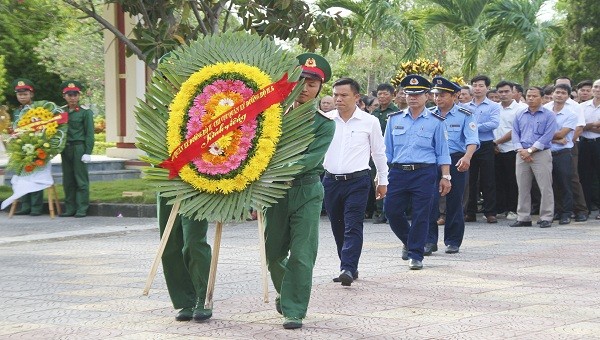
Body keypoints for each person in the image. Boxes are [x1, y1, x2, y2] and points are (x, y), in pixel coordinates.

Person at [263, 53, 335, 329]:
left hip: (307, 191)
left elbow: (311, 160)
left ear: (320, 88)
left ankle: (294, 310)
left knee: (303, 253)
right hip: (276, 193)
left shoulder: (324, 124)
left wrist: (276, 166)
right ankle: (286, 291)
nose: (306, 88)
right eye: (302, 81)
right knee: (273, 253)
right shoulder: (272, 117)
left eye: (313, 84)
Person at [323, 77, 387, 285]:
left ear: (356, 97)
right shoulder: (326, 120)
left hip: (358, 181)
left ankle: (348, 268)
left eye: (344, 95)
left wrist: (382, 180)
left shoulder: (370, 122)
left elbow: (378, 153)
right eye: (335, 95)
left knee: (353, 224)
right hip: (331, 181)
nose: (338, 99)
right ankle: (348, 264)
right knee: (337, 225)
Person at [384, 75, 451, 270]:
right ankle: (410, 240)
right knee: (392, 211)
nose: (413, 97)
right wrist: (381, 174)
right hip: (397, 172)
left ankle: (416, 254)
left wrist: (445, 177)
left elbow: (442, 151)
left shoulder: (436, 121)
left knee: (422, 214)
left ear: (427, 96)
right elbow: (386, 150)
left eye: (418, 94)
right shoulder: (394, 120)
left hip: (424, 172)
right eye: (409, 93)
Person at [425, 77, 479, 255]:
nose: (438, 99)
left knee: (454, 201)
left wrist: (467, 157)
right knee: (429, 200)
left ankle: (453, 241)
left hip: (456, 159)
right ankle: (429, 241)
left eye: (442, 95)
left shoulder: (465, 114)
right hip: (432, 160)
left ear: (455, 96)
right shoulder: (429, 114)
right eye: (435, 95)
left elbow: (472, 139)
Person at [157, 196, 212, 322]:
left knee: (194, 243)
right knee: (170, 245)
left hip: (195, 184)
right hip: (166, 182)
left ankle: (203, 298)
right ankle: (187, 301)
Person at [510, 87, 557, 228]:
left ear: (542, 98)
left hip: (541, 154)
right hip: (521, 154)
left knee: (545, 186)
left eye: (534, 96)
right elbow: (515, 133)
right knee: (522, 187)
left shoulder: (549, 115)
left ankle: (546, 217)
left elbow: (547, 136)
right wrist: (521, 150)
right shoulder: (520, 114)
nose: (531, 98)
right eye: (529, 96)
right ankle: (523, 217)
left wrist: (530, 150)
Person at [465, 75, 501, 223]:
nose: (477, 88)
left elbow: (494, 123)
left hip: (486, 144)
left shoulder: (494, 106)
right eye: (474, 85)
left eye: (480, 85)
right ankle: (470, 212)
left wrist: (473, 127)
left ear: (487, 88)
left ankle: (490, 212)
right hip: (469, 146)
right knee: (470, 179)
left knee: (488, 179)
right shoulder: (466, 107)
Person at [59, 81, 95, 218]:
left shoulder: (85, 112)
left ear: (79, 96)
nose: (72, 97)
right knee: (68, 180)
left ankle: (81, 208)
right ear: (64, 96)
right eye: (69, 95)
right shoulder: (61, 112)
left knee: (81, 180)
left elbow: (89, 133)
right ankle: (70, 208)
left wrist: (87, 152)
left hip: (79, 147)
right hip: (65, 148)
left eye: (75, 95)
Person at [545, 83, 578, 225]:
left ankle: (566, 213)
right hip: (545, 152)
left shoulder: (571, 114)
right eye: (557, 92)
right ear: (552, 93)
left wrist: (550, 136)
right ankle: (555, 211)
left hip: (562, 153)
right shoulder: (544, 110)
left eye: (563, 93)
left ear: (568, 96)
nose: (559, 95)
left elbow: (562, 134)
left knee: (564, 183)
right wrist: (557, 139)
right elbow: (536, 131)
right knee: (549, 184)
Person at [493, 81, 527, 220]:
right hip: (495, 150)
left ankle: (513, 209)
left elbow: (516, 130)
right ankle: (501, 208)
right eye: (500, 92)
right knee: (497, 180)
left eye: (506, 91)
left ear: (513, 92)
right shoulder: (494, 108)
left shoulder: (520, 109)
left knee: (512, 181)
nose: (503, 94)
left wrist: (498, 142)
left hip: (511, 149)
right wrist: (494, 145)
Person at [11, 78, 44, 216]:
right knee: (23, 176)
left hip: (35, 145)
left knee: (35, 175)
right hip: (21, 147)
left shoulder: (38, 109)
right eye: (19, 94)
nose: (22, 96)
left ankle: (36, 207)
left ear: (31, 94)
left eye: (25, 94)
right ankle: (25, 205)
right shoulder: (17, 112)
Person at [370, 83, 399, 224]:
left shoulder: (396, 113)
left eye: (385, 94)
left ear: (392, 95)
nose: (382, 97)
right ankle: (380, 211)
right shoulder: (374, 113)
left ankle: (390, 211)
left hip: (389, 153)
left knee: (389, 182)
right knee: (376, 181)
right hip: (374, 153)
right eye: (379, 94)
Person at [579, 79, 600, 219]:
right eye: (596, 87)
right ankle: (584, 208)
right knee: (584, 176)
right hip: (584, 143)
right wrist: (593, 124)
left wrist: (587, 126)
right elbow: (579, 126)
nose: (598, 89)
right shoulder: (582, 106)